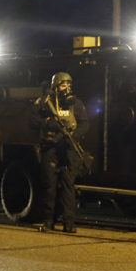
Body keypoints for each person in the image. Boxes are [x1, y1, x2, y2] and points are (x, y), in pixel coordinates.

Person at [31, 71, 88, 233]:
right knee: (50, 185)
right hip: (51, 148)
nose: (67, 88)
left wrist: (73, 136)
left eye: (69, 85)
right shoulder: (44, 102)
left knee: (68, 186)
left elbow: (85, 123)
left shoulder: (76, 104)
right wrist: (49, 124)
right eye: (63, 85)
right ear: (55, 87)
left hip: (69, 149)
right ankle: (48, 220)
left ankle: (69, 222)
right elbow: (32, 120)